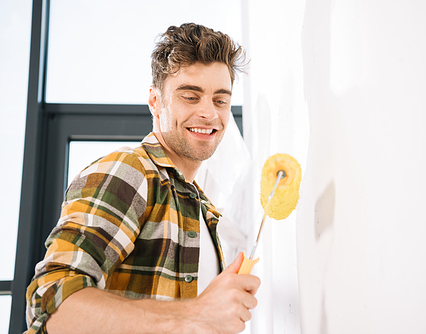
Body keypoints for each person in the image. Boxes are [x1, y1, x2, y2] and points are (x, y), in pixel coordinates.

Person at [25, 23, 260, 334]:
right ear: (154, 101)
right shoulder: (131, 171)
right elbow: (52, 307)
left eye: (220, 100)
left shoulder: (200, 206)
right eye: (190, 96)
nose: (209, 113)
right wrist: (196, 313)